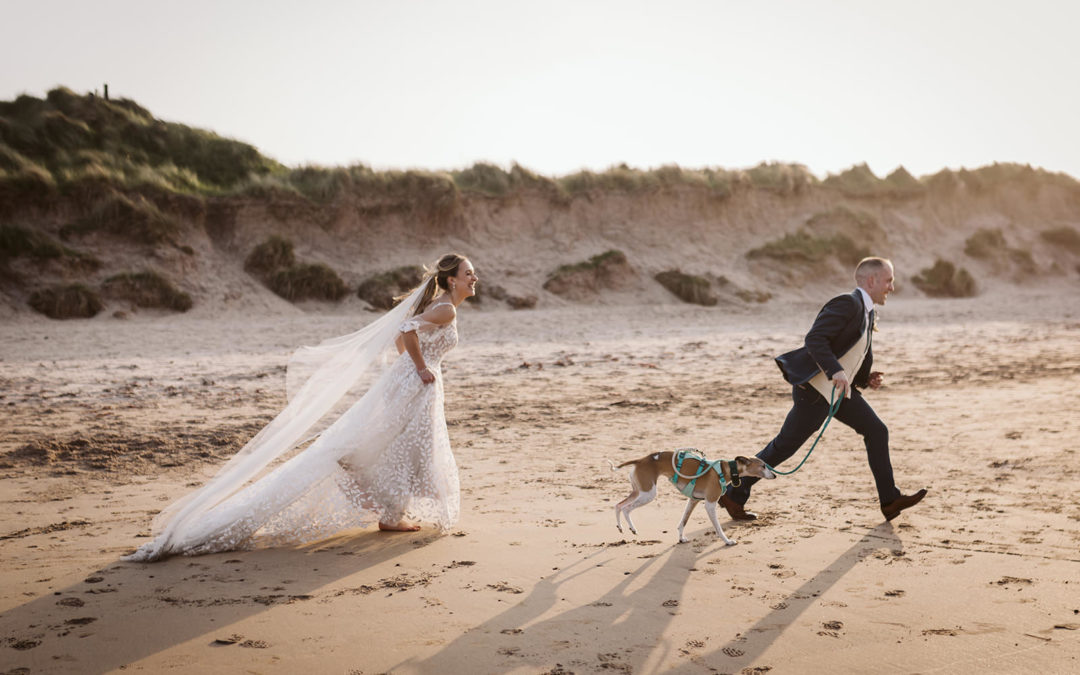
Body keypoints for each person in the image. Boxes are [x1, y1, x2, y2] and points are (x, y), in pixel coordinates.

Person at [125, 254, 478, 561]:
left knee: (407, 442)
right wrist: (420, 367)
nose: (474, 278)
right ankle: (366, 476)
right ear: (451, 279)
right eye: (468, 274)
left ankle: (388, 507)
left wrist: (413, 366)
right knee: (405, 441)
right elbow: (406, 329)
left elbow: (403, 338)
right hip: (416, 382)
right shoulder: (445, 308)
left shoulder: (441, 306)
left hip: (412, 382)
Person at [720, 257, 927, 522]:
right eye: (889, 281)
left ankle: (889, 500)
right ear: (872, 280)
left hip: (838, 392)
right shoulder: (847, 303)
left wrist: (864, 379)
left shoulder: (868, 311)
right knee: (783, 447)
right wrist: (835, 371)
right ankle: (733, 492)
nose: (892, 287)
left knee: (876, 431)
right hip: (815, 392)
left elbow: (854, 351)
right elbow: (815, 339)